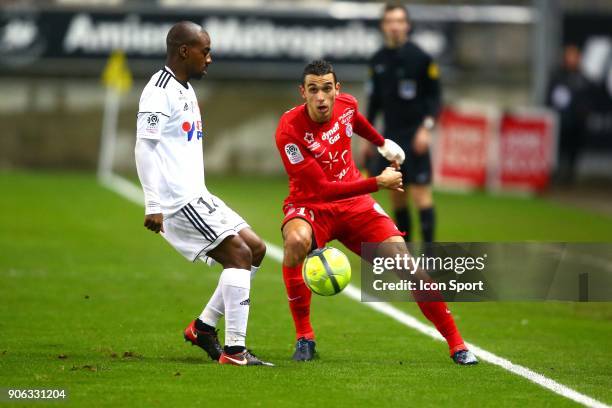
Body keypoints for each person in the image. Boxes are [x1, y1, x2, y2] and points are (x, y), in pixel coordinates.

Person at [275, 59, 477, 365]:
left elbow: (354, 120)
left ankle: (457, 344)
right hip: (312, 204)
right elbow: (322, 189)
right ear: (302, 92)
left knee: (409, 266)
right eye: (313, 90)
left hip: (355, 206)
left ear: (336, 90)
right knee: (295, 242)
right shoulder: (288, 131)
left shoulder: (346, 105)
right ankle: (305, 337)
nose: (320, 97)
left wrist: (382, 144)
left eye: (326, 89)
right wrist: (377, 182)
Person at [134, 21, 272, 366]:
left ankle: (204, 328)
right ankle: (236, 352)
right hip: (179, 202)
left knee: (255, 249)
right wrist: (154, 204)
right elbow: (144, 148)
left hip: (199, 194)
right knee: (238, 256)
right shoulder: (159, 90)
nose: (209, 59)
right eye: (205, 51)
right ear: (184, 51)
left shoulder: (185, 88)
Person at [364, 3, 440, 243]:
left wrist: (426, 129)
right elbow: (373, 103)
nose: (394, 26)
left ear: (407, 25)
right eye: (390, 21)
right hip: (390, 139)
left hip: (415, 136)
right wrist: (368, 138)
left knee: (421, 195)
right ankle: (405, 253)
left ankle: (430, 255)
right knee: (397, 195)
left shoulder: (421, 59)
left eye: (399, 21)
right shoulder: (377, 61)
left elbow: (435, 98)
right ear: (383, 26)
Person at [546, 44, 589, 184]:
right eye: (570, 56)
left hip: (577, 122)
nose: (572, 59)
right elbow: (550, 97)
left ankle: (570, 176)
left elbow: (587, 98)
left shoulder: (582, 77)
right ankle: (557, 174)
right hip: (560, 121)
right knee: (558, 149)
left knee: (573, 150)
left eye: (575, 56)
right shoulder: (557, 75)